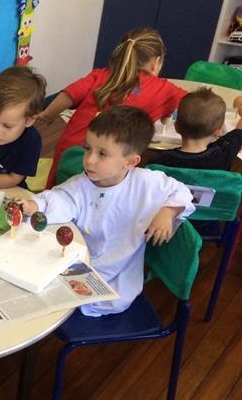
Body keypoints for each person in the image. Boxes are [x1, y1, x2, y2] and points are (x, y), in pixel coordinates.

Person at [20, 106, 195, 317]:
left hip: (118, 274)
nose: (89, 160)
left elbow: (182, 192)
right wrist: (35, 206)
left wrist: (168, 212)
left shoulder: (147, 183)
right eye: (87, 148)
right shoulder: (81, 184)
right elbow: (59, 199)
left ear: (130, 162)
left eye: (102, 154)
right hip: (77, 261)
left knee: (99, 301)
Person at [40, 27, 187, 188]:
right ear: (156, 63)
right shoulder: (164, 88)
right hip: (107, 160)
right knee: (100, 195)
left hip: (70, 151)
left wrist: (47, 115)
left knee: (59, 190)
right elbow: (194, 105)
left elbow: (69, 95)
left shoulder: (100, 75)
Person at [149, 87, 242, 171]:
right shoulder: (223, 154)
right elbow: (237, 134)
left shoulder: (160, 161)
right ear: (218, 131)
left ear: (176, 126)